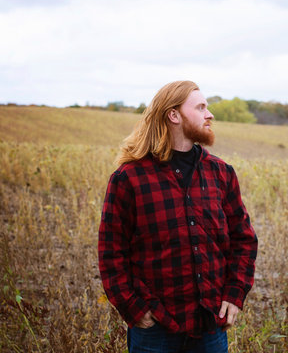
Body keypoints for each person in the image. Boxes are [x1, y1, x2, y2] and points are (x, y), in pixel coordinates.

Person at [98, 80, 258, 352]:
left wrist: (234, 293)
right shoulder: (129, 179)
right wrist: (134, 308)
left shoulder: (221, 173)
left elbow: (243, 240)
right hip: (155, 330)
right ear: (174, 115)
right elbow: (111, 253)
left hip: (209, 327)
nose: (210, 115)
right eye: (200, 107)